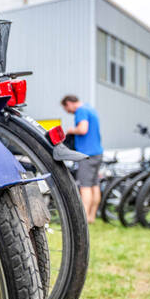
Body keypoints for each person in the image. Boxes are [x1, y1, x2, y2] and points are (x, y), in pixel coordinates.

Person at [60, 95, 102, 223]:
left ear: (69, 103)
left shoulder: (81, 111)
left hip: (86, 154)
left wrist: (71, 130)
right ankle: (91, 216)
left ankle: (83, 219)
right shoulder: (90, 108)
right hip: (97, 153)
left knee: (85, 186)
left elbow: (83, 129)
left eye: (66, 108)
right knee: (94, 185)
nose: (68, 111)